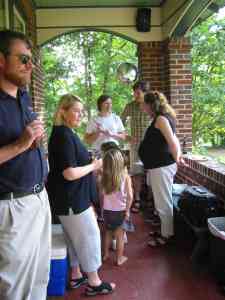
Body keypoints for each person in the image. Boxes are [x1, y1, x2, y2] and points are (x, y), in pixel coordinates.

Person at [46, 94, 115, 296]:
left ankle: (76, 275)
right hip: (72, 199)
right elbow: (69, 173)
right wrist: (94, 165)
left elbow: (70, 163)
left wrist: (87, 160)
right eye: (76, 110)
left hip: (68, 199)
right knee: (89, 237)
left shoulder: (65, 133)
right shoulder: (63, 136)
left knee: (73, 238)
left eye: (81, 111)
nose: (80, 114)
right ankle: (94, 282)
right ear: (63, 111)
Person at [0, 30, 51, 300]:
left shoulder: (23, 97)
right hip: (11, 208)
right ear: (0, 60)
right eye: (22, 59)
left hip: (38, 199)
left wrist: (32, 143)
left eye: (31, 60)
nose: (30, 66)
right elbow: (18, 144)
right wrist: (21, 144)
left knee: (39, 279)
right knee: (16, 288)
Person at [138, 91, 183, 247]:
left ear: (151, 105)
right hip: (158, 166)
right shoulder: (160, 118)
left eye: (144, 104)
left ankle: (167, 236)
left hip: (162, 166)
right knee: (160, 201)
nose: (142, 106)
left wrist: (177, 158)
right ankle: (164, 229)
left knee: (163, 203)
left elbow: (173, 141)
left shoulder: (162, 119)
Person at [121, 80, 151, 213]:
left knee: (151, 173)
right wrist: (126, 136)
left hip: (151, 145)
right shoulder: (130, 106)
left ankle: (151, 200)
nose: (135, 95)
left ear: (145, 93)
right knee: (136, 172)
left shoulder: (152, 106)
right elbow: (118, 123)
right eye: (134, 92)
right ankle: (137, 199)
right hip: (135, 145)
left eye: (138, 92)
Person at [101, 148, 133, 265]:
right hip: (120, 211)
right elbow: (130, 196)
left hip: (107, 211)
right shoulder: (125, 177)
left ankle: (106, 255)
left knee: (108, 233)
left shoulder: (104, 178)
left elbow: (102, 194)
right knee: (120, 236)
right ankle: (119, 258)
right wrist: (128, 210)